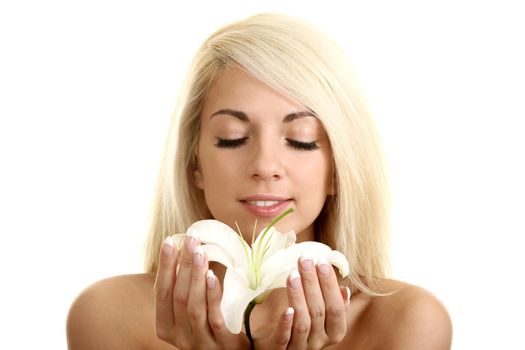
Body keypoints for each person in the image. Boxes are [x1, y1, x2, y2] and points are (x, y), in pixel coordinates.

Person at [66, 13, 452, 349]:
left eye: (301, 140)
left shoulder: (406, 323)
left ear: (338, 169)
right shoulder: (109, 315)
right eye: (232, 138)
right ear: (193, 163)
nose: (265, 166)